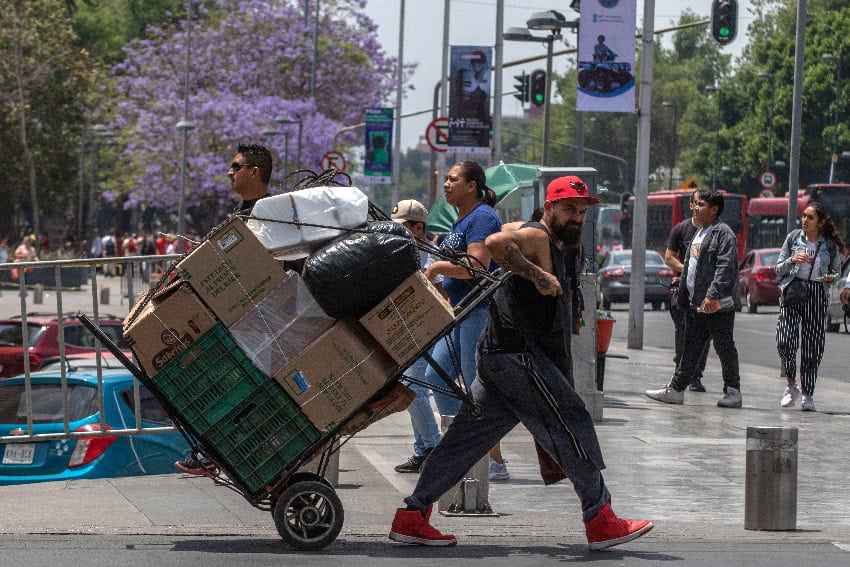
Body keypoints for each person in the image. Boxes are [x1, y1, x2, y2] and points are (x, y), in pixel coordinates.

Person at [388, 175, 653, 549]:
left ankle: (412, 515)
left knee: (465, 440)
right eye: (568, 209)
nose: (577, 217)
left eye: (581, 211)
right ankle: (600, 519)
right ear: (549, 208)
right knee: (571, 423)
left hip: (501, 360)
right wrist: (537, 274)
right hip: (518, 359)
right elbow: (496, 243)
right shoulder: (538, 236)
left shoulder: (556, 241)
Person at [402, 161, 508, 482]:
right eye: (446, 179)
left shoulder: (483, 217)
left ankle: (495, 463)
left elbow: (477, 266)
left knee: (478, 390)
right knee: (436, 380)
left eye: (452, 179)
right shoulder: (462, 219)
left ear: (471, 185)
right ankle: (457, 449)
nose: (446, 184)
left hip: (476, 313)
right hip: (457, 314)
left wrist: (435, 270)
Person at [175, 143, 274, 477]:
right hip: (239, 318)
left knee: (233, 387)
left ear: (254, 172)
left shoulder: (266, 214)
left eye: (236, 166)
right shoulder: (242, 213)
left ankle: (215, 453)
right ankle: (215, 452)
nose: (230, 172)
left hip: (257, 319)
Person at [645, 189, 743, 408]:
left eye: (700, 205)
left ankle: (733, 392)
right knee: (690, 347)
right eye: (694, 204)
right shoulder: (698, 232)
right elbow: (694, 267)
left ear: (714, 209)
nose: (695, 208)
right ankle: (677, 389)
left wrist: (712, 295)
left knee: (724, 346)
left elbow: (725, 267)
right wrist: (681, 284)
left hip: (716, 304)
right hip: (695, 303)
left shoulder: (723, 233)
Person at [774, 202, 845, 411]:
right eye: (803, 216)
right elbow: (778, 269)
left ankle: (807, 393)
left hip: (816, 294)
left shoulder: (829, 245)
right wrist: (792, 259)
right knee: (784, 341)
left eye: (810, 217)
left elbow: (837, 272)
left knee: (812, 347)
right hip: (793, 290)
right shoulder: (793, 238)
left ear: (820, 222)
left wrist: (829, 277)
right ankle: (790, 385)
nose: (804, 220)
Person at [664, 190, 711, 393]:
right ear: (691, 205)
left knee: (703, 335)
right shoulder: (681, 229)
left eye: (703, 203)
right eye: (696, 203)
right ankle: (680, 372)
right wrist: (688, 268)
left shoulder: (713, 231)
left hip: (704, 293)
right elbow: (669, 257)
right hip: (682, 291)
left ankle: (696, 376)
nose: (699, 207)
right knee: (683, 332)